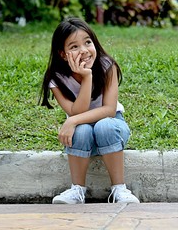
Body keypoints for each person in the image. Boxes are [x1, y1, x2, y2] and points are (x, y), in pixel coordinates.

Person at [40, 17, 140, 204]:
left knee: (104, 126)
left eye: (88, 42)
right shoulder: (57, 77)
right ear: (63, 54)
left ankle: (120, 189)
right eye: (74, 47)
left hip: (112, 129)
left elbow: (109, 110)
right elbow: (76, 112)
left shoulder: (106, 66)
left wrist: (71, 121)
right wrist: (86, 78)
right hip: (82, 137)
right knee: (82, 129)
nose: (84, 50)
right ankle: (77, 190)